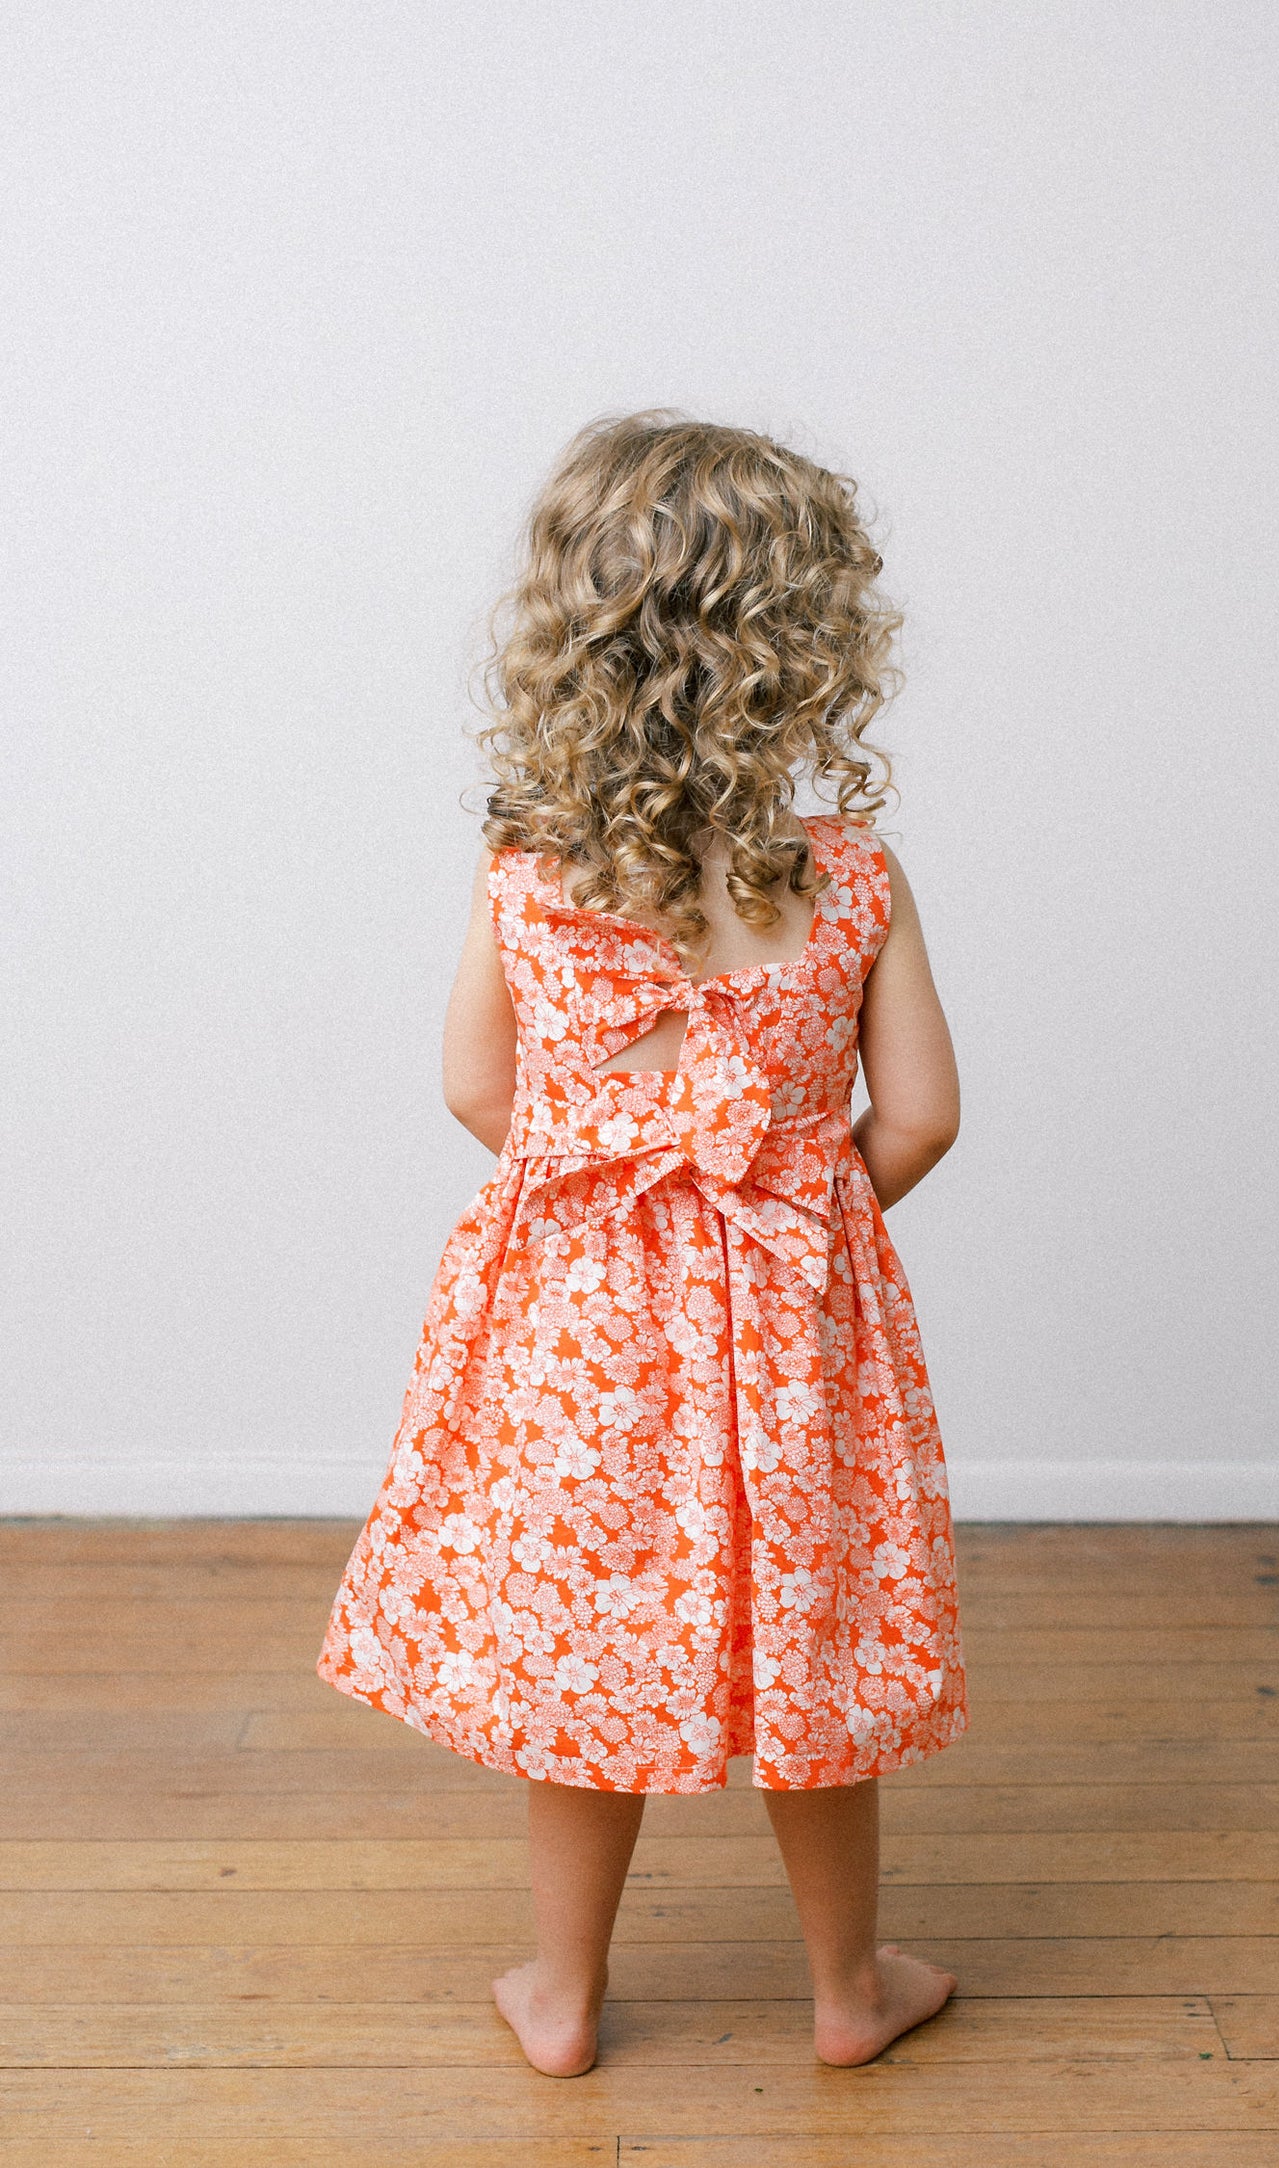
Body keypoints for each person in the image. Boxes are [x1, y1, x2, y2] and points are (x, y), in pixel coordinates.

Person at [317, 411, 968, 2077]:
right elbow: (919, 1118)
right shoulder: (851, 877)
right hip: (790, 1320)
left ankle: (564, 1997)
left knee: (587, 1648)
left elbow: (477, 1088)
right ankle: (844, 1994)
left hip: (581, 1331)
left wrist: (620, 1203)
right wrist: (789, 1224)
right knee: (806, 1637)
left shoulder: (528, 871)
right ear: (803, 639)